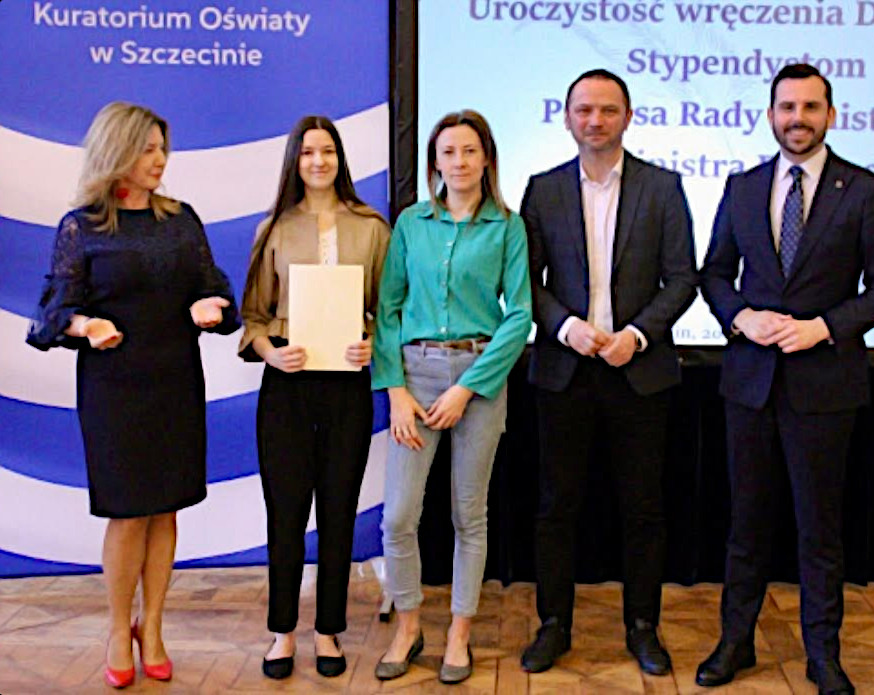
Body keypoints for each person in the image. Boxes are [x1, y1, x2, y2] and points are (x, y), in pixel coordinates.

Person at [697, 64, 874, 695]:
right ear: (770, 115)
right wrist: (740, 316)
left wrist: (825, 327)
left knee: (819, 531)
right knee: (745, 525)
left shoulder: (863, 190)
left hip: (825, 386)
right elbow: (714, 274)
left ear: (830, 115)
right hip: (749, 384)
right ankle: (735, 643)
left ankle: (823, 656)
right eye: (787, 107)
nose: (798, 118)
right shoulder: (742, 188)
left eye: (811, 107)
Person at [26, 102, 239, 689]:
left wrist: (210, 307)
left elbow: (217, 292)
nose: (160, 159)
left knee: (165, 509)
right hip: (114, 391)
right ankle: (120, 630)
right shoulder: (82, 227)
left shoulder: (181, 220)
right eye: (147, 148)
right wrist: (86, 326)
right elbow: (51, 314)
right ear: (116, 151)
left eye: (162, 147)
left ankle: (155, 626)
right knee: (126, 514)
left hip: (174, 382)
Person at [519, 68, 698, 676]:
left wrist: (638, 334)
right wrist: (565, 326)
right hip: (564, 372)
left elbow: (683, 278)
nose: (595, 120)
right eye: (584, 110)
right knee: (556, 507)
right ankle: (553, 624)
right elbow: (525, 281)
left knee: (643, 508)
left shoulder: (663, 187)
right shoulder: (542, 190)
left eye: (607, 110)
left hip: (639, 372)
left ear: (628, 117)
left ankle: (643, 627)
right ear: (567, 118)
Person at [372, 110, 531, 685]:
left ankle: (460, 633)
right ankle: (409, 626)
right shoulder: (412, 224)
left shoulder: (507, 226)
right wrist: (394, 390)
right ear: (434, 162)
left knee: (469, 513)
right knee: (398, 516)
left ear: (486, 158)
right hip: (414, 377)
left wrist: (468, 388)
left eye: (469, 151)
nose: (458, 162)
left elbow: (520, 315)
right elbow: (387, 309)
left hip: (479, 378)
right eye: (448, 152)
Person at [238, 115, 391, 679]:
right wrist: (269, 352)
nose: (319, 161)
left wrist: (372, 341)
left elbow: (388, 311)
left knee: (337, 510)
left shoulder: (372, 228)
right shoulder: (273, 228)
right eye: (307, 153)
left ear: (340, 158)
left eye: (328, 151)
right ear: (294, 161)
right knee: (285, 512)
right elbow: (253, 317)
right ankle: (282, 632)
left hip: (347, 385)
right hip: (288, 382)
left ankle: (328, 631)